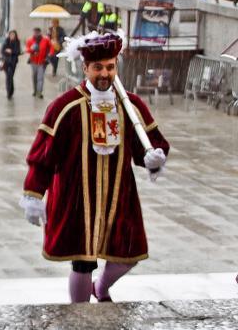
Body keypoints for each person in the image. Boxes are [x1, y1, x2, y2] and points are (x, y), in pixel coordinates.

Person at [21, 32, 169, 304]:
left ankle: (100, 288)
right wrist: (33, 193)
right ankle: (79, 314)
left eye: (110, 67)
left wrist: (155, 157)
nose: (104, 73)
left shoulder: (131, 105)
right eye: (98, 67)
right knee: (82, 261)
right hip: (78, 199)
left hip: (119, 196)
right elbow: (43, 154)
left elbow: (150, 143)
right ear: (85, 68)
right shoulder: (64, 106)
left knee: (129, 254)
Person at [25, 27, 53, 99]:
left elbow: (51, 47)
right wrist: (31, 49)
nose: (36, 33)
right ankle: (35, 90)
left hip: (42, 62)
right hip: (33, 61)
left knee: (40, 77)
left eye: (37, 32)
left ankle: (39, 92)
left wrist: (50, 54)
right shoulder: (30, 40)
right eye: (35, 32)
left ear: (40, 32)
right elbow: (27, 49)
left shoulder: (46, 39)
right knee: (34, 77)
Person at [1, 30, 21, 100]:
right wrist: (6, 51)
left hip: (13, 62)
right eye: (11, 34)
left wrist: (11, 51)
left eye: (13, 35)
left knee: (10, 76)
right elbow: (2, 51)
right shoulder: (6, 41)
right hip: (6, 62)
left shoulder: (17, 42)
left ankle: (10, 91)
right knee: (8, 76)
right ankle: (9, 92)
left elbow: (18, 52)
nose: (12, 36)